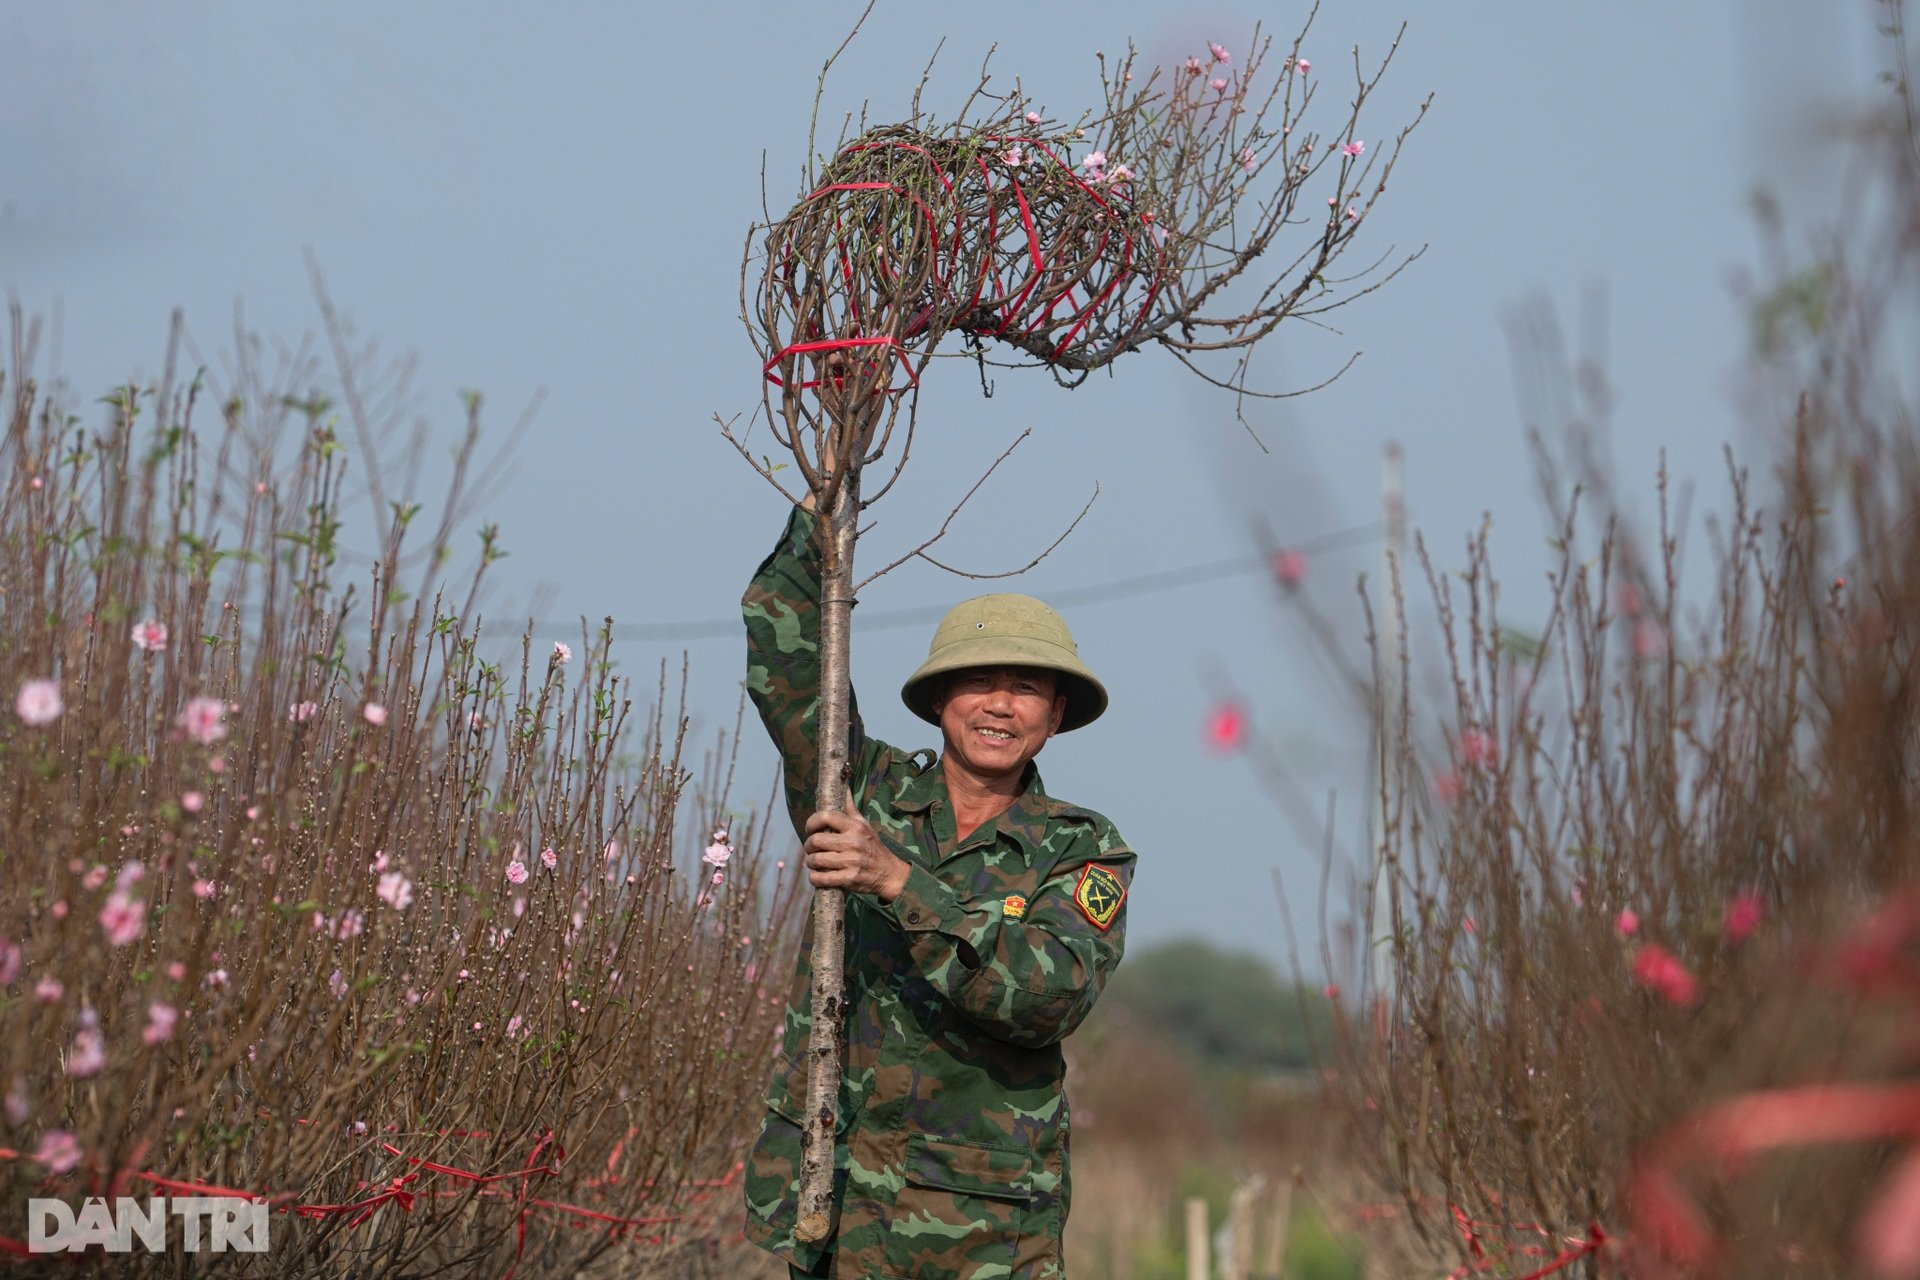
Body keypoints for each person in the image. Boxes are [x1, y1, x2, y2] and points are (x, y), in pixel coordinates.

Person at [740, 489, 1135, 1280]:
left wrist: (897, 881)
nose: (999, 704)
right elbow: (789, 658)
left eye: (1025, 688)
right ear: (937, 701)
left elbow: (1045, 998)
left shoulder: (1083, 849)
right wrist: (820, 513)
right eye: (976, 681)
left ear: (1055, 715)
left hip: (976, 1229)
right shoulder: (860, 789)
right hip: (834, 1196)